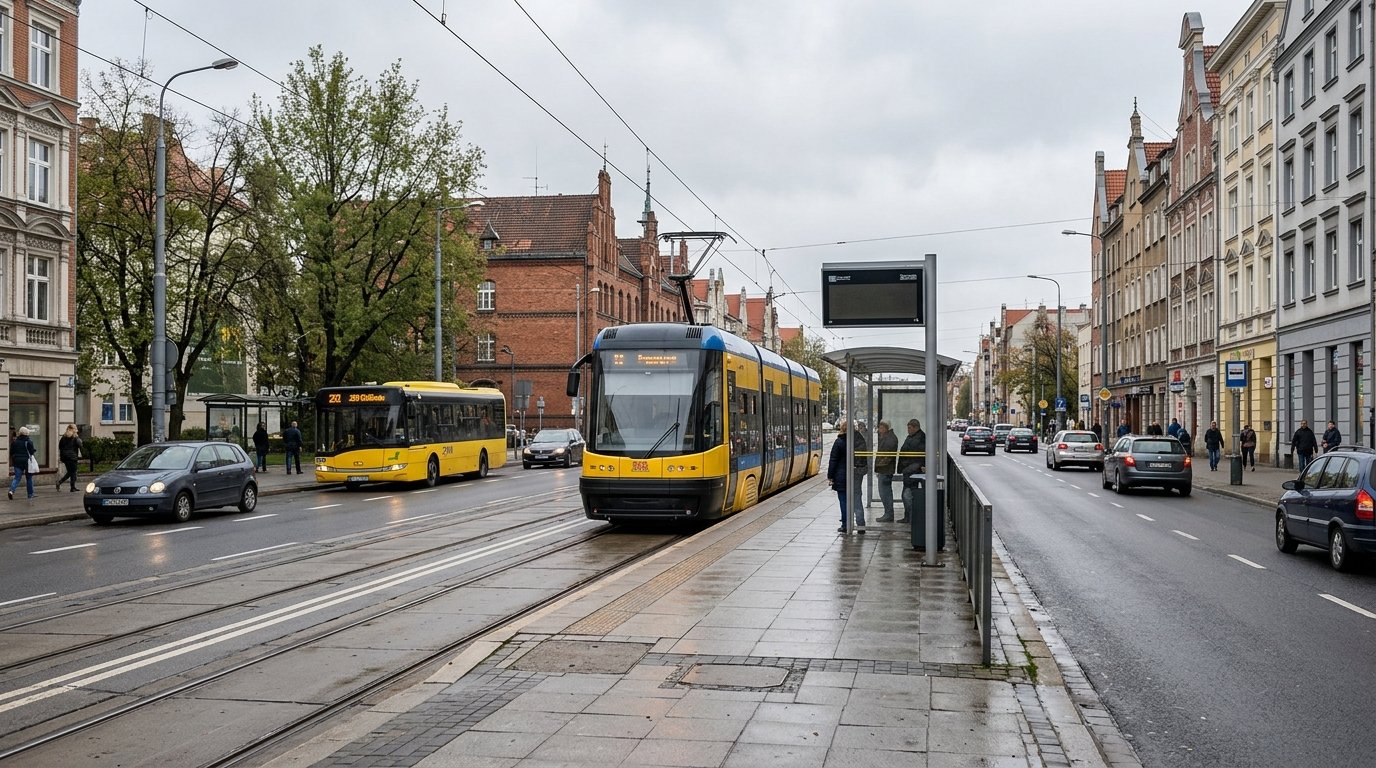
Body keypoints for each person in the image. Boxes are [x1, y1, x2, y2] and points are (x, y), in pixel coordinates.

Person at [826, 418, 866, 533]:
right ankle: (861, 524)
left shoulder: (839, 441)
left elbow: (833, 460)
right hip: (856, 474)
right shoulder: (859, 439)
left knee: (843, 500)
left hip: (842, 475)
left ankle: (846, 524)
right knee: (857, 499)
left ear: (842, 429)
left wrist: (830, 475)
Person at [897, 418, 927, 524]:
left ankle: (910, 517)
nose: (908, 430)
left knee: (907, 495)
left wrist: (908, 467)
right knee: (907, 494)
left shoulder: (920, 438)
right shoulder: (913, 437)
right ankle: (909, 517)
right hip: (910, 469)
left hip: (913, 470)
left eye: (910, 428)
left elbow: (919, 456)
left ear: (916, 427)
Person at [872, 420, 899, 522]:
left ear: (885, 428)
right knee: (885, 492)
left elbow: (887, 456)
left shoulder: (889, 439)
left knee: (885, 493)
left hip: (885, 470)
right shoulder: (887, 437)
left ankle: (888, 514)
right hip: (885, 470)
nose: (878, 430)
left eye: (880, 428)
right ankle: (888, 513)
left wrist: (879, 466)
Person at [8, 426, 36, 500]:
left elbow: (11, 452)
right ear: (27, 433)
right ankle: (30, 494)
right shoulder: (29, 441)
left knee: (17, 478)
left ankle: (11, 491)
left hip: (17, 461)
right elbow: (32, 452)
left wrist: (14, 458)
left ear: (20, 433)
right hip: (27, 462)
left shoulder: (15, 442)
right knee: (29, 478)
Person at [56, 424, 82, 492]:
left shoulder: (63, 437)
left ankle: (61, 483)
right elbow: (80, 445)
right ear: (74, 429)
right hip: (72, 457)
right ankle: (71, 487)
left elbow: (60, 446)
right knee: (72, 472)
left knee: (71, 472)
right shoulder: (75, 437)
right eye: (76, 428)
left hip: (64, 457)